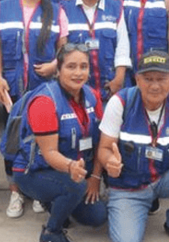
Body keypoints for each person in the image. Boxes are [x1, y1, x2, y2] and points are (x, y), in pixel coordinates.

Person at [99, 50, 169, 242]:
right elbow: (104, 148)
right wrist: (110, 163)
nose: (155, 86)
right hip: (128, 187)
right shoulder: (120, 103)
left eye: (161, 78)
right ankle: (133, 208)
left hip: (163, 178)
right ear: (137, 79)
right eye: (148, 79)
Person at [0, 0, 68, 218]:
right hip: (11, 84)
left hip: (43, 86)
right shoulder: (3, 8)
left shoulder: (57, 11)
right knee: (13, 136)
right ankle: (15, 190)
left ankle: (38, 191)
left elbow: (64, 50)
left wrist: (54, 67)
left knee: (42, 136)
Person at [13, 43, 107, 242]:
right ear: (58, 70)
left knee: (97, 217)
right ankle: (51, 232)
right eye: (71, 67)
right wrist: (71, 167)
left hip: (78, 172)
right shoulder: (45, 102)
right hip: (36, 171)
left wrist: (95, 177)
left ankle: (58, 200)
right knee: (75, 188)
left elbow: (100, 141)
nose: (78, 73)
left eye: (84, 66)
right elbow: (49, 153)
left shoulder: (92, 95)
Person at [63, 0, 131, 102]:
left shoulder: (116, 8)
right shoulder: (64, 8)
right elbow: (61, 49)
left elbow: (122, 46)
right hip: (76, 90)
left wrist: (119, 80)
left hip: (110, 88)